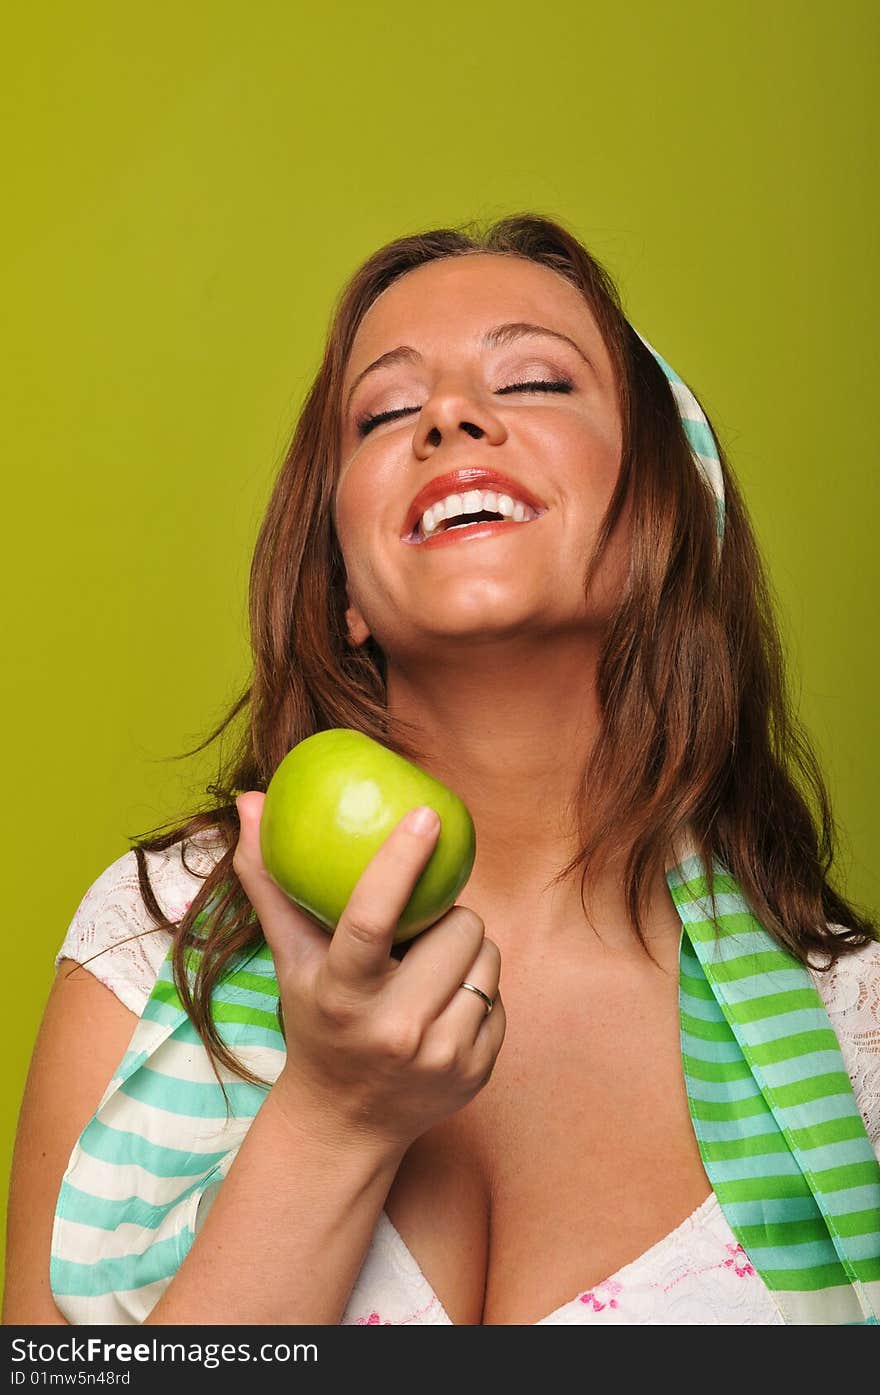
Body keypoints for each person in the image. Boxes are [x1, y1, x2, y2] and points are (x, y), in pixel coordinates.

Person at [4, 214, 879, 1327]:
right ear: (347, 593)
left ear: (668, 517)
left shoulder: (853, 1028)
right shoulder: (150, 949)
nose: (451, 417)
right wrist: (333, 1118)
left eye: (534, 381)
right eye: (383, 410)